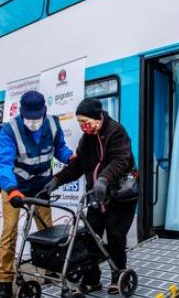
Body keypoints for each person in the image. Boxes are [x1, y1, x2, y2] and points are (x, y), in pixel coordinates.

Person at [43, 98, 137, 295]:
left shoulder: (116, 132)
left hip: (120, 196)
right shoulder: (86, 140)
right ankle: (92, 279)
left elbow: (121, 160)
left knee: (115, 235)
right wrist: (57, 180)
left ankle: (117, 274)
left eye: (85, 121)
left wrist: (103, 179)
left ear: (98, 118)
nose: (83, 126)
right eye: (79, 123)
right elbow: (77, 166)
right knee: (90, 237)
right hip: (97, 196)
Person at [0, 90, 74, 298]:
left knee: (46, 229)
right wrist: (11, 190)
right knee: (9, 231)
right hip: (15, 187)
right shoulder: (10, 130)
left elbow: (60, 148)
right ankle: (5, 282)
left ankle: (50, 271)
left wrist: (70, 158)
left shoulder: (54, 124)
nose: (33, 122)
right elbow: (2, 164)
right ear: (21, 112)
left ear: (44, 111)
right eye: (29, 118)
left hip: (41, 185)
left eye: (37, 118)